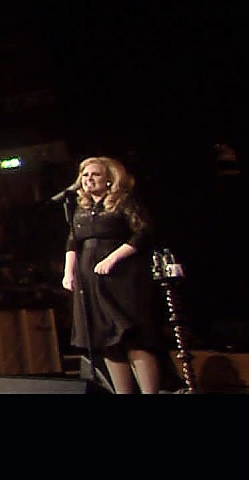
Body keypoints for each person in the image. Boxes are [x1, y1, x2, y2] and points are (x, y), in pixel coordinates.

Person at [61, 156, 163, 394]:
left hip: (121, 278)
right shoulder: (81, 208)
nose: (89, 179)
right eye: (85, 175)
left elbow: (143, 233)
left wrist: (112, 258)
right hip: (90, 280)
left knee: (132, 337)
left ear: (109, 179)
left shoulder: (123, 202)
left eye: (95, 174)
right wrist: (68, 273)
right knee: (106, 340)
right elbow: (72, 242)